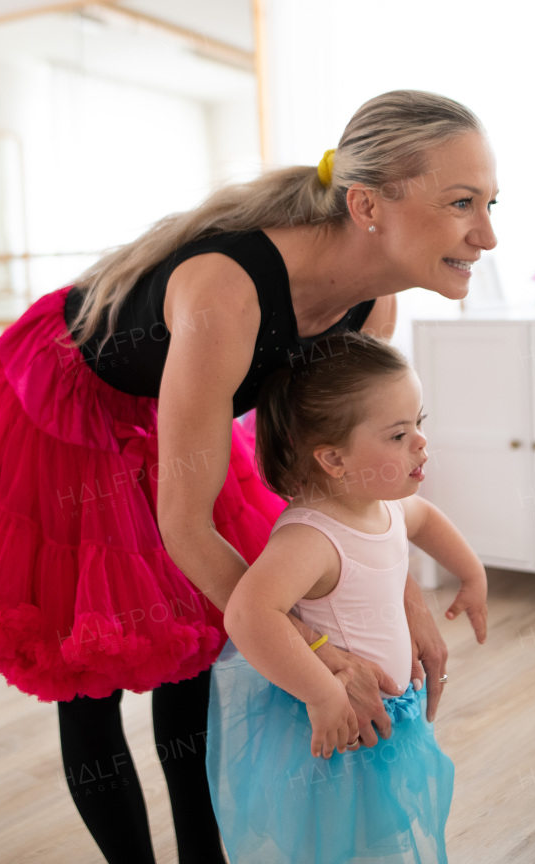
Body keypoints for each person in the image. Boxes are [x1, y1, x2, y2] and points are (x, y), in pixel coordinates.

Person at [0, 89, 498, 864]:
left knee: (192, 659)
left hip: (184, 410)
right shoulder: (228, 292)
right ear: (366, 205)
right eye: (463, 203)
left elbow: (351, 487)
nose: (486, 234)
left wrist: (403, 602)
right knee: (91, 674)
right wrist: (321, 659)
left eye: (491, 203)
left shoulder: (372, 308)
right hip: (65, 410)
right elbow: (186, 529)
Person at [207, 331, 488, 864]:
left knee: (381, 842)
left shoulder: (382, 505)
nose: (421, 444)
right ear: (334, 459)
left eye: (419, 425)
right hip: (335, 734)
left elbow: (426, 519)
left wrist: (471, 574)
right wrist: (321, 694)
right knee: (334, 848)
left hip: (390, 718)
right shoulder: (311, 537)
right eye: (400, 434)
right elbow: (248, 613)